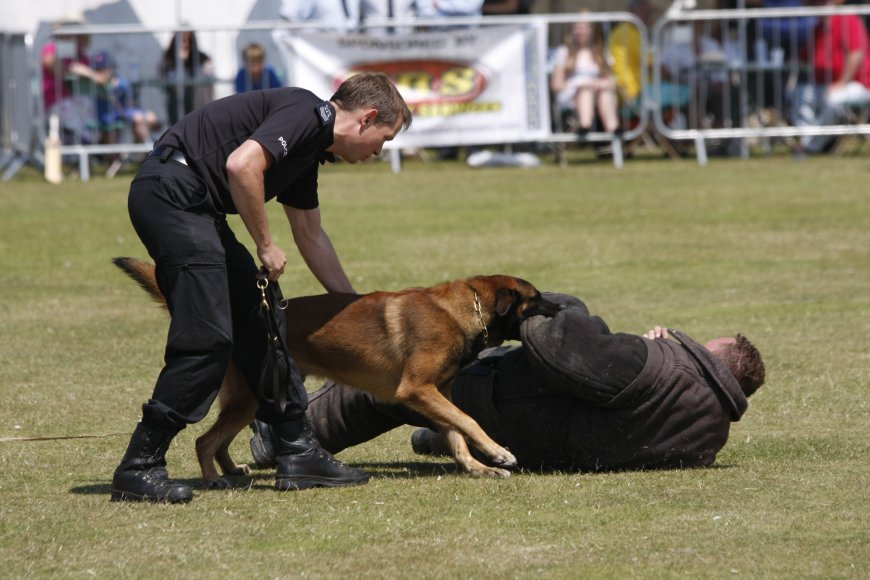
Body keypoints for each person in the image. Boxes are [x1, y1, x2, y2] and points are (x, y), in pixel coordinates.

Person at [111, 72, 413, 503]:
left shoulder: (308, 150)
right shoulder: (307, 112)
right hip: (170, 195)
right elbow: (242, 164)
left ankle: (298, 451)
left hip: (198, 208)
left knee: (265, 325)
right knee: (209, 338)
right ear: (366, 118)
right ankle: (139, 465)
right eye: (384, 139)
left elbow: (311, 234)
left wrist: (354, 306)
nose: (379, 152)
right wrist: (266, 245)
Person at [250, 292, 765, 473]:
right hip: (547, 445)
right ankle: (433, 441)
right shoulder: (708, 437)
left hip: (512, 407)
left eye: (696, 344)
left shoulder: (659, 367)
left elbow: (562, 354)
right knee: (426, 416)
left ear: (710, 358)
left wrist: (553, 305)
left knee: (387, 390)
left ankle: (275, 438)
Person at [790, 0, 870, 156]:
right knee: (800, 94)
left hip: (858, 84)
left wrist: (841, 82)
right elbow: (805, 57)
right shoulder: (819, 28)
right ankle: (811, 142)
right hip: (827, 84)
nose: (819, 5)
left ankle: (812, 146)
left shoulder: (849, 20)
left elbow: (856, 55)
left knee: (834, 98)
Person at [550, 16, 620, 140]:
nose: (581, 31)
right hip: (571, 97)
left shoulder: (600, 53)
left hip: (597, 95)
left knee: (605, 91)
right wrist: (579, 84)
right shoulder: (564, 52)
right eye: (578, 28)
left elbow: (611, 81)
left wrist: (598, 84)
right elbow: (556, 85)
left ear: (592, 30)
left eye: (585, 28)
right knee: (585, 90)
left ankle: (613, 130)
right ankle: (584, 125)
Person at [91, 51, 161, 145]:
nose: (104, 72)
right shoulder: (94, 83)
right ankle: (147, 148)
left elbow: (129, 101)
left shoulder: (119, 80)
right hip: (112, 115)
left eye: (106, 68)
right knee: (139, 119)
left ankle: (142, 146)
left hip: (124, 111)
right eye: (100, 69)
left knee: (152, 118)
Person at [159, 30, 214, 125]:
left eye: (187, 40)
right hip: (176, 103)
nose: (184, 44)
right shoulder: (169, 58)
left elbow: (207, 76)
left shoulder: (201, 57)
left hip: (198, 102)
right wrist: (180, 61)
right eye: (181, 40)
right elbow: (164, 79)